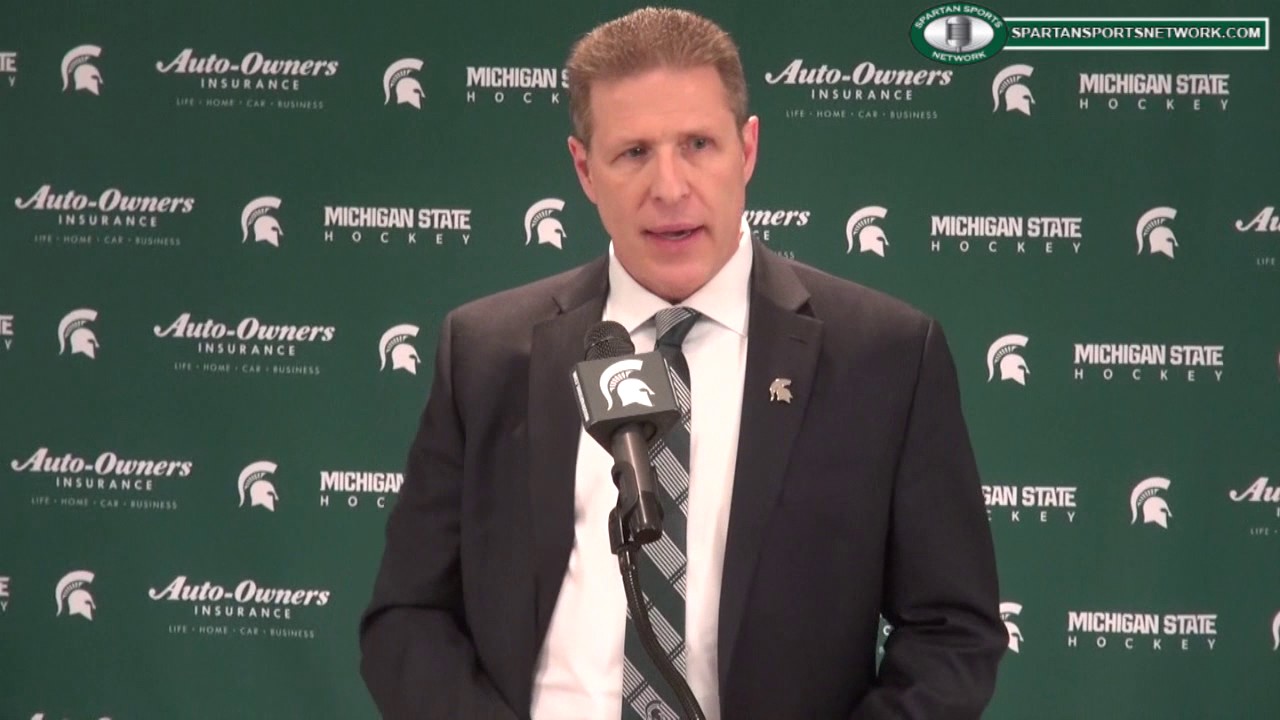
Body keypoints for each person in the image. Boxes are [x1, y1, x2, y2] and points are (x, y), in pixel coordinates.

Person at [359, 7, 1005, 719]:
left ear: (747, 149)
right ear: (584, 169)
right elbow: (407, 618)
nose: (669, 187)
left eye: (698, 144)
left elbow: (952, 633)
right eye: (634, 153)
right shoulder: (486, 353)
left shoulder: (883, 356)